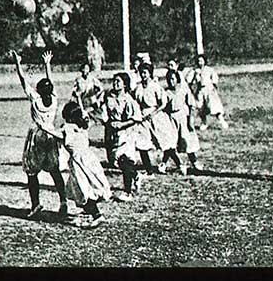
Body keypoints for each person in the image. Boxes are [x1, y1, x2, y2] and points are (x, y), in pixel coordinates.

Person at [9, 50, 69, 219]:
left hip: (37, 137)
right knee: (55, 171)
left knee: (32, 172)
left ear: (39, 91)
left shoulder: (35, 99)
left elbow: (23, 79)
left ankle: (35, 204)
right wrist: (47, 64)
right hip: (51, 136)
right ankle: (63, 201)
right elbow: (51, 81)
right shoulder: (54, 99)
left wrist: (18, 63)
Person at [40, 101, 112, 229]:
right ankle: (90, 211)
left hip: (79, 162)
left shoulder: (67, 129)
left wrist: (43, 126)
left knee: (82, 189)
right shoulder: (83, 124)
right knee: (90, 186)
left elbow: (57, 134)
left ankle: (96, 215)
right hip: (90, 159)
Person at [102, 73, 146, 201]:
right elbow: (104, 113)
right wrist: (108, 122)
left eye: (118, 82)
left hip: (126, 134)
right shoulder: (109, 97)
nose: (115, 84)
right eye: (114, 81)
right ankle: (136, 175)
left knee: (124, 160)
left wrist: (122, 124)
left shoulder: (129, 100)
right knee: (115, 161)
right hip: (113, 133)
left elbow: (136, 118)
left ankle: (128, 192)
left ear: (125, 84)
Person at [133, 63, 180, 174]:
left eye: (145, 72)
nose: (143, 75)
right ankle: (149, 170)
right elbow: (135, 102)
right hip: (142, 118)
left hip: (156, 116)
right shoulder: (138, 88)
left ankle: (179, 163)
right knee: (141, 144)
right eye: (141, 73)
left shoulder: (155, 87)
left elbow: (163, 103)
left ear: (150, 73)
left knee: (165, 142)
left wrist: (154, 113)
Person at [164, 69, 202, 174]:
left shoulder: (183, 89)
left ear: (177, 79)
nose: (171, 81)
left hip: (182, 116)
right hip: (171, 118)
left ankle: (194, 162)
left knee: (187, 140)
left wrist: (190, 119)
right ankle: (179, 164)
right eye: (169, 79)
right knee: (170, 142)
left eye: (173, 79)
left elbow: (191, 104)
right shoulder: (166, 92)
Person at [187, 54, 229, 131]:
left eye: (201, 61)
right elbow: (188, 80)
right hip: (200, 91)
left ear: (204, 61)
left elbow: (214, 79)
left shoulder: (209, 70)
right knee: (200, 107)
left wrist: (214, 86)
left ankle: (222, 121)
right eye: (198, 61)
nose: (200, 62)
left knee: (214, 106)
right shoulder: (195, 70)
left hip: (209, 90)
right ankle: (204, 123)